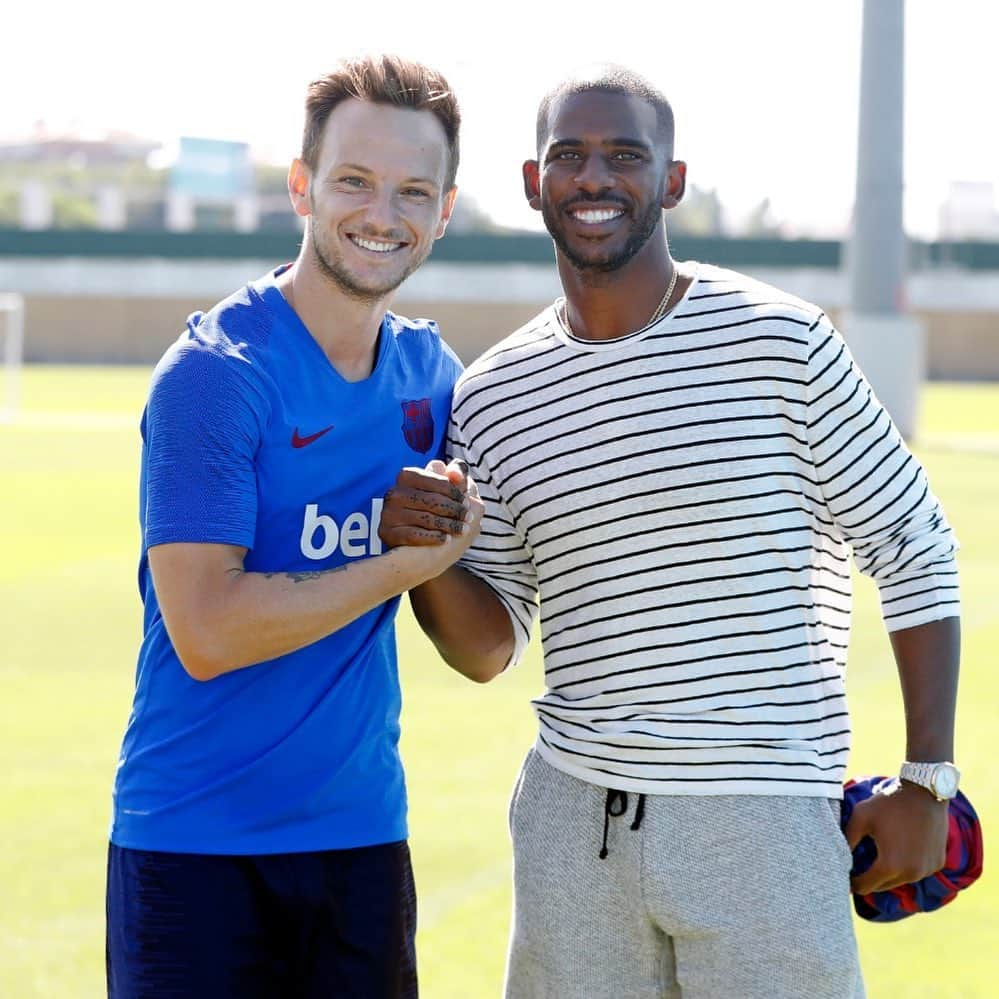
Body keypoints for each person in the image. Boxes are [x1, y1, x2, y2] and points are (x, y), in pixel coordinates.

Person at [379, 65, 962, 999]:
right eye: (567, 156)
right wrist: (422, 555)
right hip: (573, 826)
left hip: (761, 820)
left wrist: (927, 777)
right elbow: (488, 649)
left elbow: (913, 545)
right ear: (534, 185)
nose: (593, 178)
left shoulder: (783, 340)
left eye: (624, 155)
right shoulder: (492, 396)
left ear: (672, 180)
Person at [106, 54, 482, 999]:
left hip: (361, 844)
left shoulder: (432, 380)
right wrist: (402, 563)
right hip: (194, 847)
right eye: (353, 180)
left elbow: (481, 653)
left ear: (442, 212)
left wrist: (446, 545)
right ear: (302, 186)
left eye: (412, 191)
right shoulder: (215, 373)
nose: (380, 213)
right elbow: (209, 630)